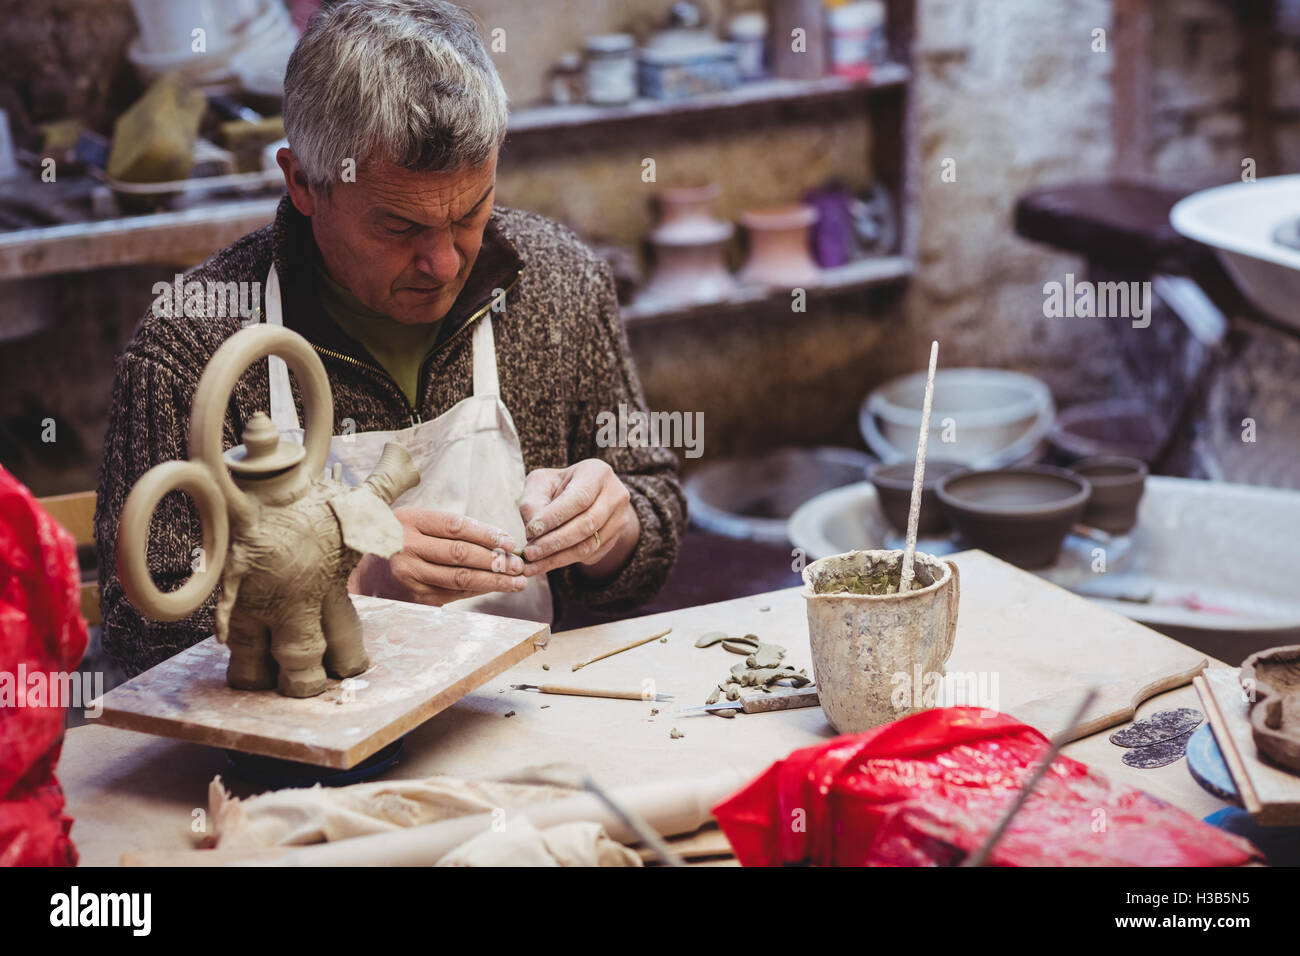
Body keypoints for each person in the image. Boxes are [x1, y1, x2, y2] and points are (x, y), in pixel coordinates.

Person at [95, 0, 684, 678]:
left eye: (470, 213)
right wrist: (344, 576)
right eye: (399, 228)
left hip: (531, 713)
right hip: (302, 759)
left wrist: (614, 529)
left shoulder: (559, 285)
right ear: (304, 183)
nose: (444, 263)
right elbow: (141, 634)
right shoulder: (190, 346)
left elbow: (654, 513)